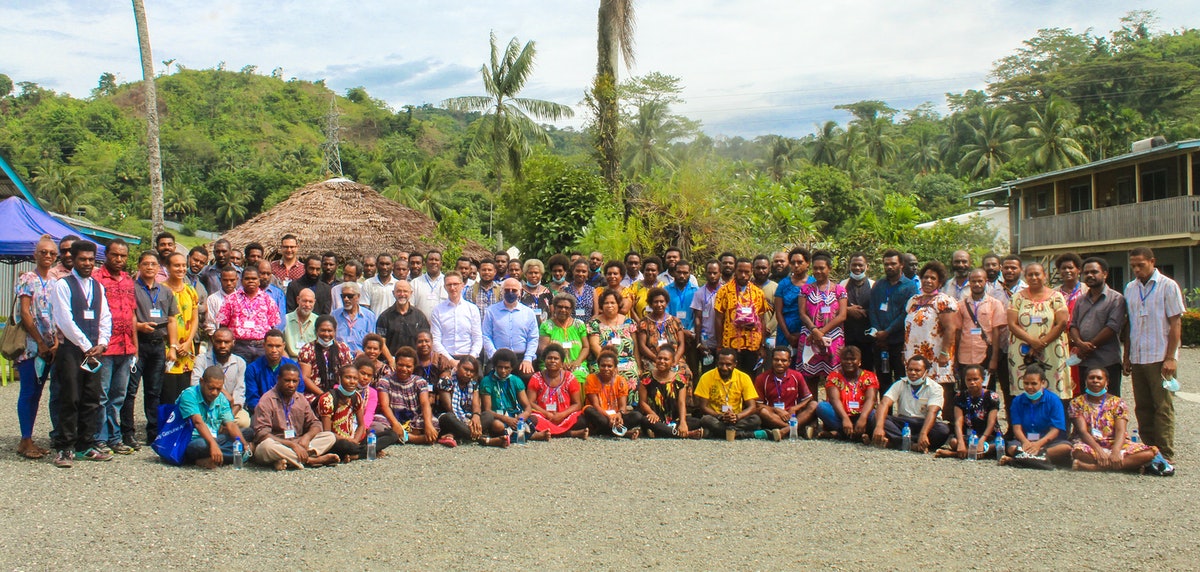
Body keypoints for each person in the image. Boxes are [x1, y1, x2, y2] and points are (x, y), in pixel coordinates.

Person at [49, 240, 113, 467]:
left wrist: (103, 343)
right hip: (72, 350)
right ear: (73, 260)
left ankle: (86, 444)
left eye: (91, 260)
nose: (87, 264)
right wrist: (85, 345)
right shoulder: (62, 285)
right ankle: (65, 446)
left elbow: (105, 317)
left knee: (91, 398)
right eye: (82, 259)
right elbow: (64, 320)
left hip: (94, 352)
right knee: (70, 397)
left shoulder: (97, 286)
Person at [1122, 246, 1183, 461]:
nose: (1137, 269)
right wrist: (1127, 356)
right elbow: (1129, 324)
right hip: (1139, 357)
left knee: (1163, 406)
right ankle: (1148, 451)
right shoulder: (1130, 288)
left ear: (1152, 261)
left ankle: (1165, 454)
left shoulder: (1168, 286)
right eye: (1133, 266)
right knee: (1143, 406)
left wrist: (1170, 357)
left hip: (1160, 357)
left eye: (1141, 265)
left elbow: (1175, 323)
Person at [1069, 367, 1169, 474]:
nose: (1095, 381)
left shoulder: (1118, 403)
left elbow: (1121, 431)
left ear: (1106, 382)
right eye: (1091, 378)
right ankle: (1128, 465)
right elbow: (1083, 432)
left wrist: (1116, 452)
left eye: (1099, 378)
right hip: (1089, 444)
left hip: (1115, 443)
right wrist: (1099, 451)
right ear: (1085, 381)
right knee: (1078, 452)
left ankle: (1094, 467)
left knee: (1150, 453)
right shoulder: (1077, 403)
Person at [125, 251, 179, 448]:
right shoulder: (131, 289)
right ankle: (127, 432)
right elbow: (128, 316)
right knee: (130, 390)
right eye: (145, 263)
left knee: (154, 391)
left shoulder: (165, 291)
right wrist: (138, 326)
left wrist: (172, 347)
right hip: (137, 343)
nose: (149, 267)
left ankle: (153, 432)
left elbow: (172, 319)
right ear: (139, 266)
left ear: (158, 268)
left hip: (158, 345)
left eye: (153, 264)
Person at [89, 239, 137, 456]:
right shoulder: (96, 279)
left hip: (126, 348)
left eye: (123, 256)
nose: (119, 259)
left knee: (119, 395)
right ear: (106, 255)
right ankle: (99, 438)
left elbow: (132, 314)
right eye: (115, 255)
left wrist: (135, 345)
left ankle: (115, 438)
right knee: (101, 396)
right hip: (106, 348)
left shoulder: (128, 281)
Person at [13, 235, 58, 459]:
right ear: (35, 254)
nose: (48, 256)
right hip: (31, 346)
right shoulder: (27, 279)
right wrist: (39, 342)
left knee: (38, 393)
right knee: (28, 392)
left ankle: (28, 438)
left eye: (52, 253)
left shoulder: (54, 281)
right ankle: (25, 439)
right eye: (43, 252)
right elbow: (25, 312)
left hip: (49, 347)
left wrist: (55, 340)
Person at [250, 363, 338, 470]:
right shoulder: (267, 400)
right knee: (266, 447)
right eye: (287, 381)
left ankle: (286, 460)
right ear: (278, 379)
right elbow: (262, 434)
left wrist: (307, 437)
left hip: (298, 442)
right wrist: (292, 445)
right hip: (278, 443)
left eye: (294, 381)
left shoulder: (300, 399)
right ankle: (311, 460)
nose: (291, 385)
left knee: (329, 436)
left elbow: (315, 424)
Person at [903, 261, 959, 419]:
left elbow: (950, 329)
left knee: (939, 390)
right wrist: (904, 350)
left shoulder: (943, 301)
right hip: (913, 354)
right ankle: (919, 423)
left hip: (937, 355)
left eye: (932, 278)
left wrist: (944, 353)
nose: (928, 281)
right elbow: (908, 329)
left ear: (939, 282)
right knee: (918, 390)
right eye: (925, 277)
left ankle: (943, 425)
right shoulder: (914, 301)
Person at [1007, 262, 1071, 400]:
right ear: (1025, 277)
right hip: (1022, 350)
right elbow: (1012, 324)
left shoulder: (1057, 297)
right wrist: (1032, 342)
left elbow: (1062, 323)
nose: (1034, 277)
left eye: (1037, 274)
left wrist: (1042, 342)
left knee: (1052, 387)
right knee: (1025, 387)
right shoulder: (1017, 297)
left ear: (1045, 276)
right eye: (1030, 275)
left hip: (1051, 348)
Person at [318, 364, 399, 461]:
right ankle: (367, 452)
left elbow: (361, 425)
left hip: (354, 439)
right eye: (348, 377)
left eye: (355, 378)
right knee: (345, 445)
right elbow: (327, 434)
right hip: (337, 441)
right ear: (339, 378)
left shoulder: (356, 397)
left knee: (392, 435)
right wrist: (349, 441)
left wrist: (355, 440)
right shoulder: (327, 399)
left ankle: (356, 455)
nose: (352, 382)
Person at [1069, 257, 1126, 396]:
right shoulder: (1081, 300)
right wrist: (1079, 343)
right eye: (1086, 273)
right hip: (1084, 361)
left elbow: (1112, 327)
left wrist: (1088, 347)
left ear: (1105, 274)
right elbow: (1073, 325)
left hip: (1107, 360)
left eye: (1094, 272)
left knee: (1109, 402)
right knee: (1086, 401)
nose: (1089, 275)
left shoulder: (1116, 299)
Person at [178, 366, 251, 468]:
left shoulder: (221, 398)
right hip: (192, 440)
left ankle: (213, 457)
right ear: (202, 382)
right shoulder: (189, 395)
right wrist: (213, 445)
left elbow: (231, 424)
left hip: (214, 438)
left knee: (247, 433)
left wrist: (244, 445)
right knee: (201, 445)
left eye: (218, 389)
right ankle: (224, 455)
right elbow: (198, 423)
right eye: (211, 388)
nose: (214, 393)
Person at [870, 356, 948, 452]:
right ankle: (911, 445)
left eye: (917, 370)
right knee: (876, 417)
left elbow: (933, 411)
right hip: (904, 423)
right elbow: (884, 403)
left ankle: (894, 442)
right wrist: (879, 427)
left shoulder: (936, 388)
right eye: (910, 370)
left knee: (943, 430)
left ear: (926, 372)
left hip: (925, 424)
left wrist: (923, 433)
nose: (912, 373)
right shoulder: (900, 384)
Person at [796, 252, 847, 398]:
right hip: (810, 337)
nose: (818, 271)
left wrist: (821, 332)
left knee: (832, 378)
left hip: (833, 338)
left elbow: (842, 315)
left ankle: (830, 416)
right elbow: (802, 313)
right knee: (810, 377)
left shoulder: (839, 290)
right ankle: (811, 416)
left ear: (829, 268)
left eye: (822, 268)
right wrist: (814, 330)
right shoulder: (805, 289)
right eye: (815, 268)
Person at [694, 348, 774, 440]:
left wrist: (737, 417)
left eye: (728, 364)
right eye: (721, 364)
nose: (724, 368)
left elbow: (752, 407)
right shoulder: (706, 377)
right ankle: (747, 435)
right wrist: (719, 416)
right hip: (716, 418)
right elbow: (703, 407)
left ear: (735, 364)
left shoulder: (744, 377)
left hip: (736, 418)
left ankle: (718, 433)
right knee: (706, 419)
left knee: (756, 420)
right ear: (717, 363)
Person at [1001, 365, 1072, 466]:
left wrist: (1038, 444)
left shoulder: (1054, 400)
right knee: (1011, 448)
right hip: (1025, 441)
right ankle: (1039, 459)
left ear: (1043, 383)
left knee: (1065, 448)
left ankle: (1019, 459)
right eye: (1026, 383)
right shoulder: (1017, 401)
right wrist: (1025, 442)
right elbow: (1016, 428)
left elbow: (1055, 430)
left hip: (1048, 443)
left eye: (1034, 383)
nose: (1029, 387)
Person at [868, 249, 917, 391]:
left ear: (901, 264)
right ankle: (885, 413)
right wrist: (878, 332)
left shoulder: (910, 286)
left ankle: (901, 413)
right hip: (880, 342)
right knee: (883, 380)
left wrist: (888, 332)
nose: (889, 267)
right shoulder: (879, 285)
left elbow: (906, 313)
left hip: (898, 341)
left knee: (902, 379)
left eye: (893, 263)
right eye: (886, 264)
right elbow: (873, 309)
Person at [713, 258, 769, 376]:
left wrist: (762, 345)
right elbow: (718, 319)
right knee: (731, 377)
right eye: (740, 271)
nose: (743, 275)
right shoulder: (724, 291)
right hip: (730, 344)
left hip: (752, 345)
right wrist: (719, 345)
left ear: (751, 272)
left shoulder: (758, 293)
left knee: (750, 378)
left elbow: (762, 320)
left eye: (747, 272)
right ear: (735, 271)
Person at [376, 347, 442, 445]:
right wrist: (395, 424)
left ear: (413, 367)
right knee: (377, 424)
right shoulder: (384, 381)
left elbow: (425, 403)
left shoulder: (419, 381)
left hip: (413, 419)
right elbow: (384, 406)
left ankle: (400, 436)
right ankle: (416, 438)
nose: (404, 369)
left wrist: (428, 425)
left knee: (433, 422)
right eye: (400, 365)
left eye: (408, 366)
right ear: (395, 363)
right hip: (392, 418)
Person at [437, 357, 508, 447]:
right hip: (450, 417)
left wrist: (476, 416)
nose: (468, 374)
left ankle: (456, 435)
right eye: (465, 369)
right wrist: (467, 423)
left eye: (472, 371)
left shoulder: (473, 384)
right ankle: (483, 439)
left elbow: (476, 405)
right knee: (449, 417)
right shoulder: (446, 381)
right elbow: (449, 408)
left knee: (488, 416)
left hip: (467, 417)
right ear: (458, 366)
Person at [935, 365, 1001, 459]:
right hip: (969, 436)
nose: (972, 382)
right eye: (969, 380)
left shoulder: (992, 397)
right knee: (954, 442)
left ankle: (954, 454)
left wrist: (982, 441)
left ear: (983, 379)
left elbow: (991, 422)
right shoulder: (960, 396)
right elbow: (958, 422)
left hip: (988, 436)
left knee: (997, 445)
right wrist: (961, 442)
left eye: (975, 379)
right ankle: (973, 454)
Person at [190, 327, 250, 430]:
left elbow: (239, 393)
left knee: (244, 422)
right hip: (205, 405)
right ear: (213, 341)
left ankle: (218, 431)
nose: (222, 346)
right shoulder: (202, 359)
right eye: (219, 342)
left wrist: (228, 418)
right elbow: (195, 385)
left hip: (229, 408)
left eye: (226, 342)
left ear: (233, 343)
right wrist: (222, 391)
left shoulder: (240, 362)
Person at [217, 265, 279, 364]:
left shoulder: (268, 300)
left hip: (261, 346)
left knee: (259, 376)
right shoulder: (231, 299)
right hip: (239, 346)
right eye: (247, 278)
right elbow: (223, 325)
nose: (251, 281)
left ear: (259, 281)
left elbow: (273, 326)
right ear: (241, 281)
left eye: (254, 278)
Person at [637, 345, 703, 439]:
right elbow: (642, 402)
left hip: (673, 419)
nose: (662, 361)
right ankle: (687, 434)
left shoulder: (679, 379)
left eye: (666, 359)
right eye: (659, 358)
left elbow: (681, 403)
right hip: (654, 418)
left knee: (697, 422)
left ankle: (661, 431)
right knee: (645, 420)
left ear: (672, 363)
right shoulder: (646, 377)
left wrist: (683, 422)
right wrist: (652, 414)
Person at [161, 252, 200, 409]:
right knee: (168, 392)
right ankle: (166, 429)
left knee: (185, 392)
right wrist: (174, 345)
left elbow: (195, 319)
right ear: (168, 267)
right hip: (168, 348)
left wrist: (188, 342)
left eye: (184, 265)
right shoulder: (161, 290)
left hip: (187, 349)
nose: (181, 269)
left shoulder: (191, 291)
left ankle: (182, 428)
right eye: (177, 265)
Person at [526, 343, 589, 438]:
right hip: (544, 417)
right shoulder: (536, 377)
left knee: (582, 420)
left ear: (562, 362)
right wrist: (546, 413)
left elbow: (577, 404)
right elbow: (530, 402)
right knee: (532, 419)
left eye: (556, 359)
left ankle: (546, 433)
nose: (552, 361)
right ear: (544, 360)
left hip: (565, 417)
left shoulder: (570, 378)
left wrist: (562, 415)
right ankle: (572, 433)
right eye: (549, 358)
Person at [955, 269, 1004, 389]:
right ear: (969, 283)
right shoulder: (960, 305)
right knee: (965, 391)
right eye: (973, 281)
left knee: (987, 391)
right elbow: (957, 332)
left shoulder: (995, 304)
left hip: (985, 356)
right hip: (965, 356)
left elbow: (996, 333)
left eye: (980, 281)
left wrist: (994, 359)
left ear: (986, 282)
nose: (977, 284)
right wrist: (955, 357)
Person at [816, 346, 878, 441]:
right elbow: (834, 399)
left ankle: (841, 434)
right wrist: (845, 418)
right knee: (821, 407)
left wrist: (863, 418)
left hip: (862, 414)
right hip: (840, 415)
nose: (849, 362)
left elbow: (871, 399)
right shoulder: (834, 376)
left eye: (853, 359)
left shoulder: (869, 376)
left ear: (859, 361)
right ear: (841, 361)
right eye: (846, 359)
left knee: (875, 414)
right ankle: (856, 435)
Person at [754, 346, 818, 438]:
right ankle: (797, 430)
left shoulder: (797, 376)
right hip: (774, 416)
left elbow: (808, 398)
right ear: (771, 360)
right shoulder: (761, 378)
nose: (780, 363)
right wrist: (776, 410)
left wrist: (795, 408)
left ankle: (785, 431)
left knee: (814, 404)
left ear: (789, 362)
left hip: (793, 416)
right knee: (763, 411)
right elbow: (758, 405)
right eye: (776, 360)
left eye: (783, 360)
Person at [482, 278, 539, 380]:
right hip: (498, 356)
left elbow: (533, 338)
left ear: (520, 292)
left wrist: (528, 359)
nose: (510, 293)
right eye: (507, 290)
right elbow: (486, 336)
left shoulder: (528, 313)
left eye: (514, 290)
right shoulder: (491, 311)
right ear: (502, 291)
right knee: (490, 379)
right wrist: (494, 357)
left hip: (521, 358)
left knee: (527, 376)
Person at [479, 349, 540, 440]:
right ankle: (530, 436)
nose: (503, 371)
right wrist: (506, 419)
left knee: (534, 419)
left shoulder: (516, 380)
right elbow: (488, 410)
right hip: (498, 416)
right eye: (500, 367)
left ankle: (508, 436)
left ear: (512, 368)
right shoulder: (487, 381)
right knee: (498, 425)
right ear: (495, 366)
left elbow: (527, 407)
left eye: (507, 368)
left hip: (514, 415)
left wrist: (523, 416)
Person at [583, 351, 644, 439]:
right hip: (601, 415)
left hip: (615, 415)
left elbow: (622, 406)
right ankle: (624, 433)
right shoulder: (591, 379)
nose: (606, 368)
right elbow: (595, 405)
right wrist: (609, 417)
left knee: (637, 416)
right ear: (598, 366)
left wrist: (619, 415)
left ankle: (603, 431)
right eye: (603, 365)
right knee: (589, 410)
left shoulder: (621, 380)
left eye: (609, 366)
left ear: (615, 367)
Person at [588, 289, 640, 387]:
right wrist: (610, 363)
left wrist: (639, 366)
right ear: (602, 306)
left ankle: (628, 403)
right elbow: (594, 345)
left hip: (627, 361)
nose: (609, 306)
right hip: (602, 362)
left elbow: (635, 346)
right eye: (606, 303)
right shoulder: (594, 323)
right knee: (599, 373)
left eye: (613, 303)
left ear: (618, 304)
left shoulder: (629, 322)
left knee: (632, 374)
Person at [429, 271, 482, 365]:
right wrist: (451, 361)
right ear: (445, 287)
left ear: (462, 285)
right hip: (445, 358)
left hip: (469, 358)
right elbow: (436, 340)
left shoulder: (472, 309)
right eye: (449, 285)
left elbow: (477, 338)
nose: (452, 288)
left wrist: (470, 359)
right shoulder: (437, 310)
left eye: (455, 284)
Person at [244, 329, 303, 413]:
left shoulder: (293, 367)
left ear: (283, 346)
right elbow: (252, 399)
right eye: (270, 346)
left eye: (278, 346)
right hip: (262, 412)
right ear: (264, 345)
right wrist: (269, 412)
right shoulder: (253, 369)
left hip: (289, 411)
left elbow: (299, 391)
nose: (274, 350)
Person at [635, 288, 688, 377]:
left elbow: (681, 344)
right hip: (652, 360)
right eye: (656, 302)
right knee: (650, 374)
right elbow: (642, 346)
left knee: (685, 373)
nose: (659, 304)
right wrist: (657, 359)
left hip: (674, 359)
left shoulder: (675, 321)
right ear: (650, 304)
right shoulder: (644, 323)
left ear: (666, 303)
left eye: (662, 301)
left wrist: (675, 359)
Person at [298, 315, 352, 402]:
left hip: (339, 391)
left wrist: (339, 393)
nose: (326, 334)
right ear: (316, 331)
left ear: (335, 332)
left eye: (330, 331)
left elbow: (347, 374)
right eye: (323, 330)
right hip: (315, 393)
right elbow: (305, 378)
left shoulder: (343, 348)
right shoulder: (307, 349)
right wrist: (324, 395)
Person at [540, 293, 591, 382]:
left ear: (571, 310)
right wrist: (559, 363)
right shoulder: (546, 325)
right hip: (552, 363)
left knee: (578, 376)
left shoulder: (579, 324)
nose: (563, 310)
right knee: (556, 376)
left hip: (576, 364)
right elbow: (543, 348)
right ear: (554, 308)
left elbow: (586, 347)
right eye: (560, 307)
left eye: (567, 308)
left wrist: (578, 361)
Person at [376, 280, 429, 357]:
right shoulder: (384, 317)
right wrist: (391, 360)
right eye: (399, 291)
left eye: (405, 291)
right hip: (391, 362)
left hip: (414, 362)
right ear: (393, 293)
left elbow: (425, 341)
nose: (402, 294)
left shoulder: (420, 316)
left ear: (411, 293)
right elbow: (381, 342)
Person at [840, 252, 874, 373]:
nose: (857, 268)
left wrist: (865, 312)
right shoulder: (842, 285)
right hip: (847, 337)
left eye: (860, 265)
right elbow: (834, 307)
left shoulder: (874, 285)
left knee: (867, 371)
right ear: (849, 266)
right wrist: (848, 310)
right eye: (854, 265)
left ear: (867, 266)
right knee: (848, 371)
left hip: (868, 339)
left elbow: (879, 309)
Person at [691, 261, 722, 371]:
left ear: (720, 273)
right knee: (707, 371)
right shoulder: (699, 293)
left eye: (715, 273)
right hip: (706, 340)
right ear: (706, 274)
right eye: (709, 273)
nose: (712, 276)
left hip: (722, 340)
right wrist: (698, 342)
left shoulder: (726, 292)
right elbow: (698, 318)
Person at [332, 281, 377, 354]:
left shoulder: (369, 316)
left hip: (361, 358)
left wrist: (363, 353)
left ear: (358, 297)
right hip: (340, 357)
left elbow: (372, 341)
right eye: (343, 296)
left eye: (349, 296)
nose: (346, 299)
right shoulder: (334, 315)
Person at [204, 266, 239, 340]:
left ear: (237, 279)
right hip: (218, 341)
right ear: (220, 280)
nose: (229, 283)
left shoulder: (242, 299)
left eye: (232, 280)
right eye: (225, 280)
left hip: (238, 343)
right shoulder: (212, 299)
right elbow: (210, 325)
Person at [411, 250, 449, 318]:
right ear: (425, 263)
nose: (433, 262)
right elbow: (410, 306)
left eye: (436, 260)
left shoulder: (448, 282)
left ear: (441, 263)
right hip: (421, 326)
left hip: (443, 325)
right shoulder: (415, 283)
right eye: (431, 259)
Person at [751, 254, 778, 345]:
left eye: (764, 268)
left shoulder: (775, 287)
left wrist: (768, 328)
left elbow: (778, 312)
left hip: (770, 336)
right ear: (753, 269)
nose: (761, 271)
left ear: (769, 269)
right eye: (757, 268)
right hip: (749, 335)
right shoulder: (747, 287)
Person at [283, 288, 317, 359]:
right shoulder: (285, 319)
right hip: (290, 361)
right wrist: (288, 362)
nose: (307, 305)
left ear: (314, 302)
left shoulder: (318, 321)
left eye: (310, 302)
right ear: (298, 300)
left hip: (311, 362)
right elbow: (280, 344)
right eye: (304, 301)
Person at [518, 258, 552, 323]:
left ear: (541, 275)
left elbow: (552, 314)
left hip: (544, 330)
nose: (533, 275)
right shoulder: (520, 291)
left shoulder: (547, 292)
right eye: (530, 273)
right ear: (525, 275)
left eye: (536, 273)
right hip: (525, 329)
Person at [258, 259, 288, 330]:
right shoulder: (248, 291)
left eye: (268, 274)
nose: (265, 277)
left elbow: (281, 320)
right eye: (262, 273)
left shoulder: (278, 294)